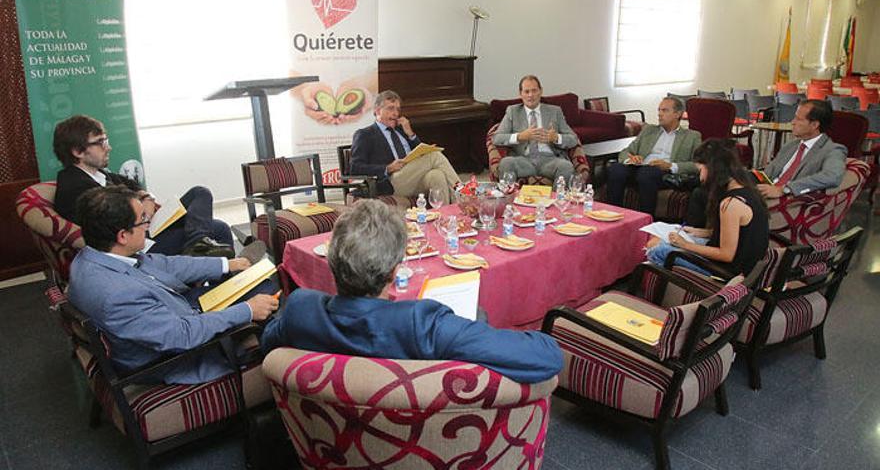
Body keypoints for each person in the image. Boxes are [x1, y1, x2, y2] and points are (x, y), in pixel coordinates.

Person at [261, 199, 562, 384]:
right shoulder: (424, 323)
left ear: (332, 262)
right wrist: (474, 326)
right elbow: (548, 356)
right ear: (395, 271)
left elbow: (268, 345)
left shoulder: (300, 308)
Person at [67, 185, 279, 384]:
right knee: (266, 293)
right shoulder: (119, 295)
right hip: (178, 358)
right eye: (143, 220)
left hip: (169, 311)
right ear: (122, 235)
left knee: (253, 285)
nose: (148, 225)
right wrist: (247, 310)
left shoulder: (90, 258)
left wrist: (227, 264)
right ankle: (267, 355)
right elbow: (183, 335)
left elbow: (164, 264)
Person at [53, 115, 235, 258]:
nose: (108, 148)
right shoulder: (73, 186)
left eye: (105, 141)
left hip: (144, 228)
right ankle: (207, 258)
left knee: (200, 193)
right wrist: (145, 212)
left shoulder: (100, 174)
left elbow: (134, 186)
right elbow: (119, 219)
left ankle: (198, 242)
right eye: (100, 143)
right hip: (137, 246)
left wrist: (146, 198)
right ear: (77, 152)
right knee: (219, 229)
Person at [685, 99, 847, 227]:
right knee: (709, 181)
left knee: (704, 193)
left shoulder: (833, 149)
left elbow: (832, 176)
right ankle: (687, 188)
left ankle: (696, 238)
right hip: (762, 184)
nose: (792, 122)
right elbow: (769, 171)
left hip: (781, 195)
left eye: (798, 119)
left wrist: (784, 189)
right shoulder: (792, 145)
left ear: (815, 124)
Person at [647, 138, 769, 277]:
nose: (700, 177)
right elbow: (739, 234)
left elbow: (726, 255)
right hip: (742, 263)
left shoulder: (731, 204)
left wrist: (685, 245)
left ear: (712, 169)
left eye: (700, 170)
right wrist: (699, 232)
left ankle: (665, 293)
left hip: (729, 271)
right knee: (657, 240)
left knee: (657, 249)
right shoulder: (746, 189)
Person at [350, 90, 461, 203]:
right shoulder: (365, 134)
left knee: (437, 176)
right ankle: (464, 196)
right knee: (434, 155)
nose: (395, 113)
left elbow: (421, 154)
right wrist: (388, 168)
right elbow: (355, 167)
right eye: (391, 108)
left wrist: (411, 134)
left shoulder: (402, 131)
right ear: (378, 111)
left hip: (411, 180)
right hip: (390, 182)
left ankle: (443, 217)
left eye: (398, 109)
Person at [607, 97, 702, 215]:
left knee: (647, 174)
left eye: (665, 110)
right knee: (616, 169)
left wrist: (670, 166)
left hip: (664, 174)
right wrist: (630, 159)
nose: (659, 114)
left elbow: (698, 165)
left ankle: (645, 220)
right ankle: (612, 215)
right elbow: (626, 151)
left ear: (678, 114)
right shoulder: (649, 130)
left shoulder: (692, 136)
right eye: (659, 110)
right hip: (639, 167)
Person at [491, 75, 579, 181]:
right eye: (526, 91)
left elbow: (573, 139)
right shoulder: (512, 112)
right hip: (523, 160)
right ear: (520, 94)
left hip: (550, 160)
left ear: (541, 91)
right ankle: (510, 197)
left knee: (566, 167)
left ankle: (556, 197)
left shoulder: (555, 111)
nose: (530, 95)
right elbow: (497, 138)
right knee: (506, 163)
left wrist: (556, 138)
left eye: (534, 91)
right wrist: (520, 136)